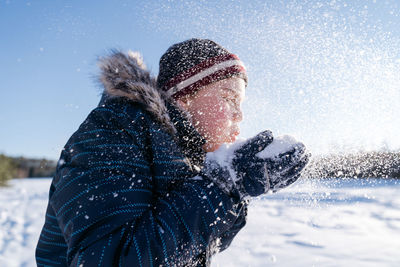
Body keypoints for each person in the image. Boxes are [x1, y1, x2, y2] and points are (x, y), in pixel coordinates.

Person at [36, 38, 309, 266]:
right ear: (184, 97)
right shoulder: (114, 130)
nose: (239, 115)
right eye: (228, 98)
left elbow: (194, 249)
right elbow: (110, 258)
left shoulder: (181, 153)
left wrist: (237, 192)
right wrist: (222, 187)